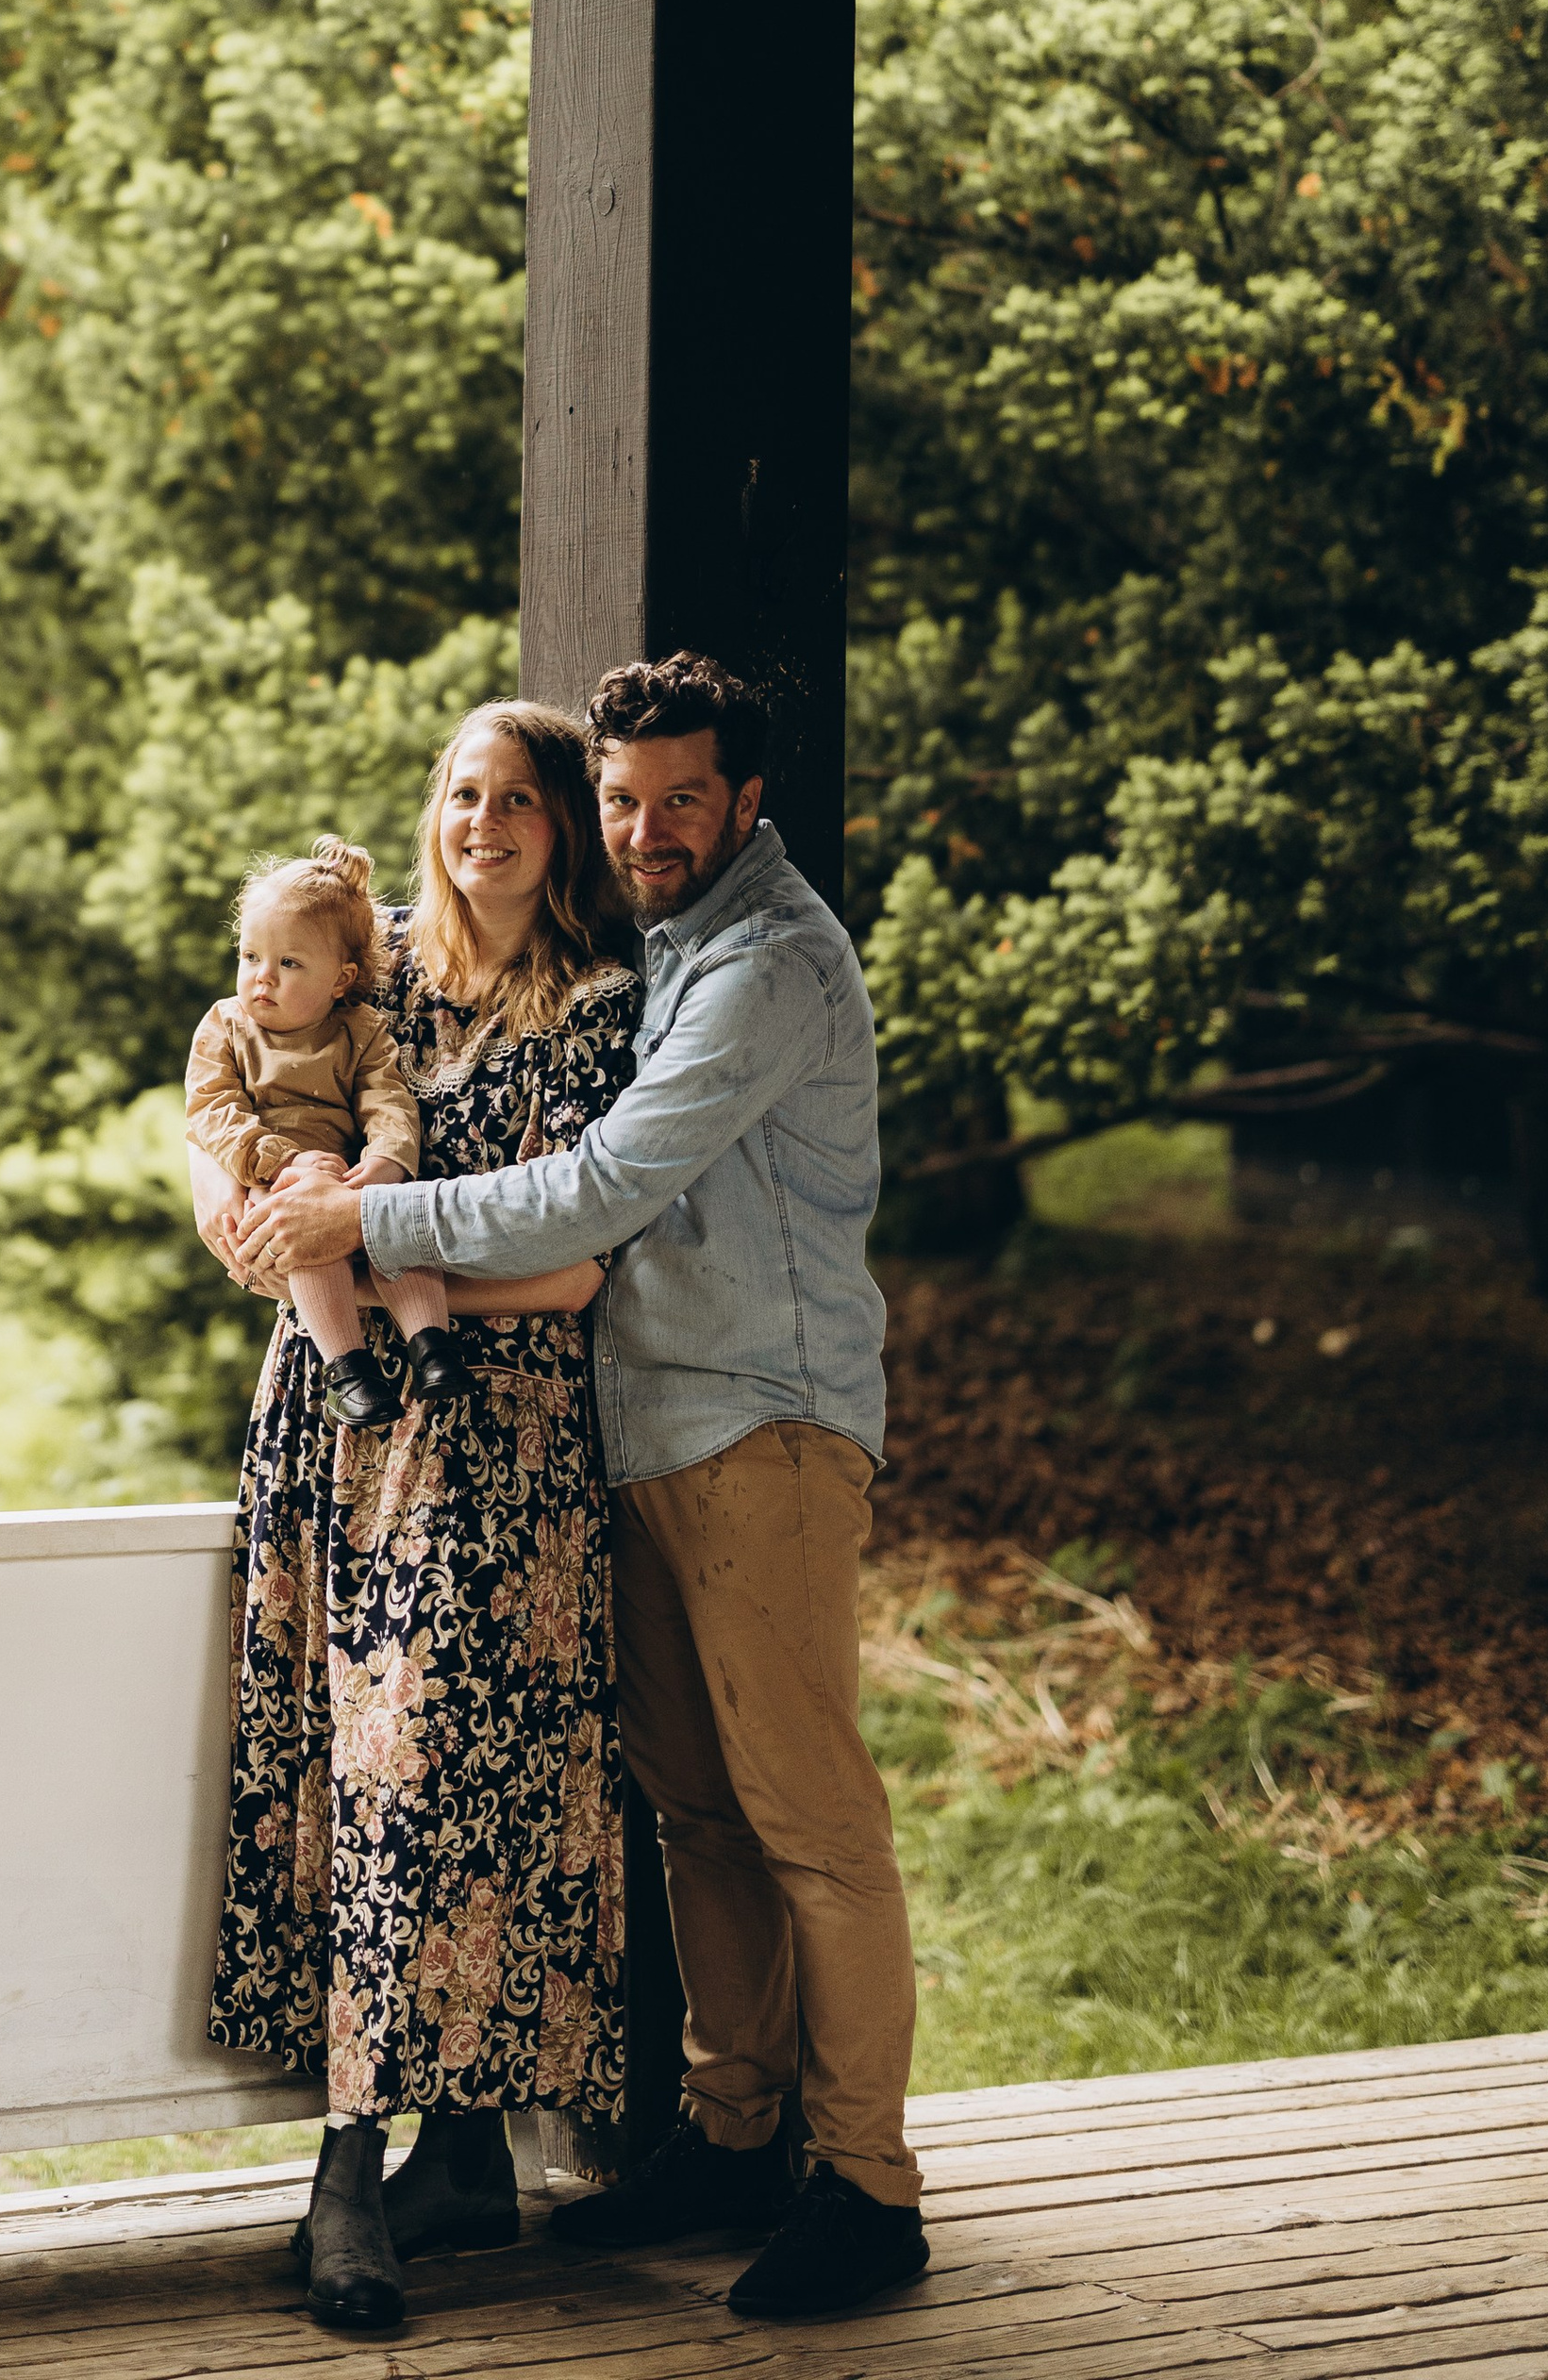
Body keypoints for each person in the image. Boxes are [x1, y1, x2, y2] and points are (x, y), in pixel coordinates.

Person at [237, 648, 928, 2324]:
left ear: (745, 801)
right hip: (642, 1433)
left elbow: (601, 1192)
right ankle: (732, 2130)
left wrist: (359, 1232)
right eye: (623, 799)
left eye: (677, 798)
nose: (645, 827)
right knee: (697, 1811)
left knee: (808, 1824)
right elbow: (277, 1040)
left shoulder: (758, 963)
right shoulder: (660, 940)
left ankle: (866, 2190)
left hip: (761, 1427)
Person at [196, 701, 641, 2338]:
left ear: (561, 830)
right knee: (346, 1771)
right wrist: (232, 1199)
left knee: (451, 1777)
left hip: (502, 1429)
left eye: (521, 798)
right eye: (465, 792)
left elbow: (581, 1264)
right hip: (338, 1418)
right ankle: (397, 2151)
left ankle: (400, 2158)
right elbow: (220, 1095)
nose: (488, 821)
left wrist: (369, 1251)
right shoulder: (365, 957)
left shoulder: (597, 1010)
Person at [184, 838, 462, 1428]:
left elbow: (388, 1101)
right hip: (269, 1178)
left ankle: (431, 1345)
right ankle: (348, 1368)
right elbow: (212, 1110)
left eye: (289, 964)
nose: (262, 978)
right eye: (250, 956)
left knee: (394, 1222)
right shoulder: (225, 1028)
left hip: (343, 1173)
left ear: (342, 979)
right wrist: (280, 1162)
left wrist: (388, 1160)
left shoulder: (360, 1030)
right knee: (303, 1237)